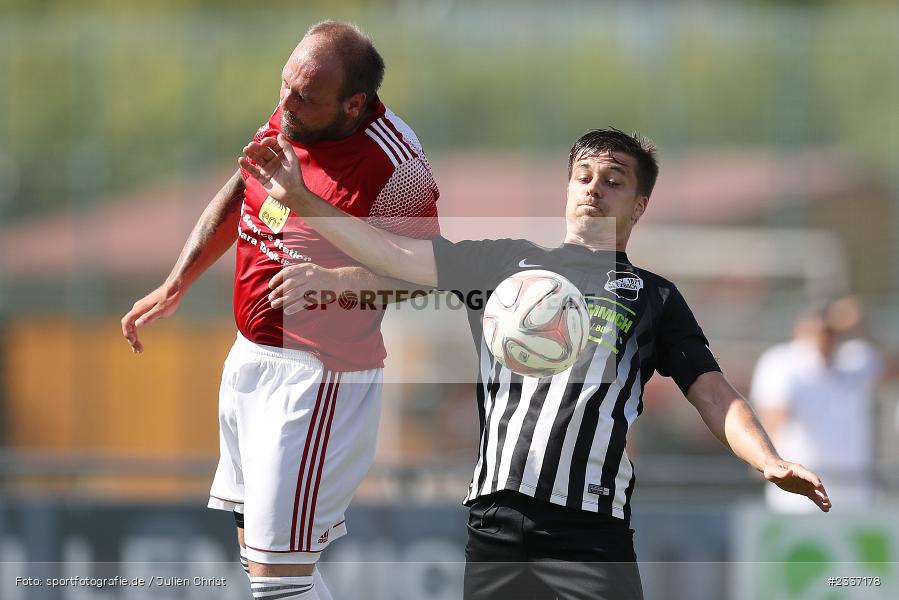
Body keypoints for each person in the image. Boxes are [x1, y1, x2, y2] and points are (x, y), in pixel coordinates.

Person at [239, 127, 830, 600]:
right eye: (583, 176)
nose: (593, 189)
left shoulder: (653, 297)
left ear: (639, 204)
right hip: (495, 520)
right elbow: (397, 256)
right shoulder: (507, 264)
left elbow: (713, 393)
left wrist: (768, 460)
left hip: (590, 530)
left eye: (614, 181)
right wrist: (302, 203)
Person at [121, 21, 440, 600]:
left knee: (279, 582)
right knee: (268, 569)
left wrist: (332, 281)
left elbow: (426, 273)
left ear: (355, 103)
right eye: (286, 86)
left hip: (318, 381)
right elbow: (246, 185)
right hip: (250, 359)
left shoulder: (396, 166)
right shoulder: (296, 112)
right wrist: (178, 281)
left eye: (306, 96)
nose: (286, 103)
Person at [751, 297, 887, 513]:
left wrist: (863, 327)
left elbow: (892, 368)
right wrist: (763, 459)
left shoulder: (858, 358)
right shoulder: (782, 362)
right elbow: (772, 416)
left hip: (855, 493)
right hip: (797, 495)